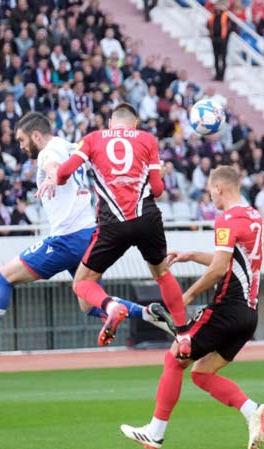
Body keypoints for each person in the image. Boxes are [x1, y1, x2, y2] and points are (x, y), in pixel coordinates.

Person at [0, 112, 172, 365]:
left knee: (3, 277)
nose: (21, 147)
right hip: (90, 234)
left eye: (22, 140)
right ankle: (147, 313)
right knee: (87, 303)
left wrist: (53, 174)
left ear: (36, 135)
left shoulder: (49, 151)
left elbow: (50, 163)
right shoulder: (71, 146)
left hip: (67, 238)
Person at [120, 166, 264, 449]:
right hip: (248, 314)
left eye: (210, 192)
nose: (210, 197)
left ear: (219, 189)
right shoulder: (254, 216)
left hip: (226, 309)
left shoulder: (227, 219)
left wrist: (187, 295)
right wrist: (191, 255)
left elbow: (219, 270)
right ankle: (253, 409)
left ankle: (155, 432)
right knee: (201, 373)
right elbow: (231, 261)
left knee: (175, 357)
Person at [37, 103, 189, 351]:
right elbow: (158, 190)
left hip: (112, 223)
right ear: (135, 124)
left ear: (110, 124)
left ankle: (110, 305)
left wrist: (56, 176)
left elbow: (64, 173)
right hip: (147, 218)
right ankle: (183, 335)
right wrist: (158, 174)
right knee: (162, 273)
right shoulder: (147, 139)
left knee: (81, 284)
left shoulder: (93, 138)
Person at [207, 1, 232, 81]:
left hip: (223, 41)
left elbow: (231, 28)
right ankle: (217, 75)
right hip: (215, 40)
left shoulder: (226, 16)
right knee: (216, 58)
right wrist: (212, 36)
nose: (218, 7)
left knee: (223, 58)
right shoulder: (213, 16)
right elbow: (208, 25)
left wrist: (225, 38)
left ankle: (222, 75)